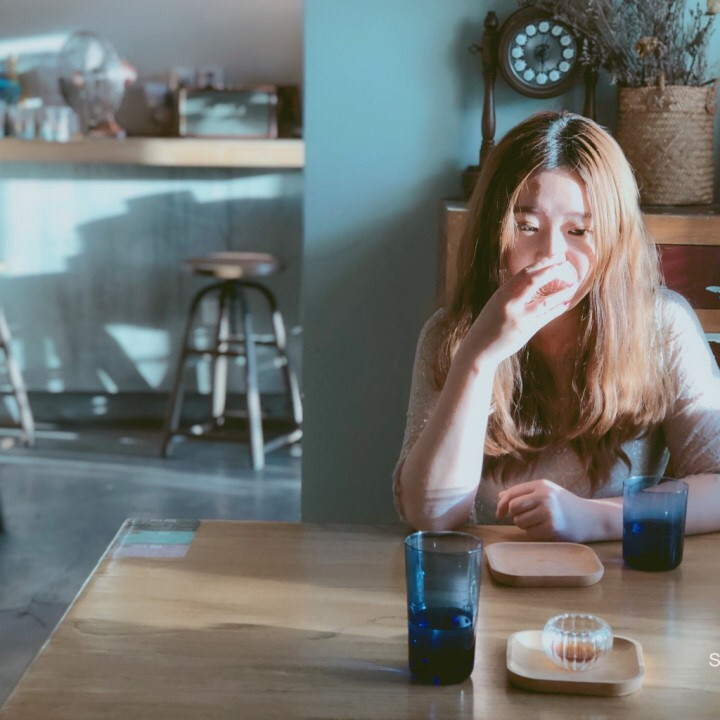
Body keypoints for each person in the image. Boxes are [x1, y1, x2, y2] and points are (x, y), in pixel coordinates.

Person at [393, 110, 720, 542]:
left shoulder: (662, 325)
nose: (551, 255)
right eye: (526, 226)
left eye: (579, 230)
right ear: (494, 233)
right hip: (488, 575)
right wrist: (478, 357)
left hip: (614, 574)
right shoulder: (449, 335)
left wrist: (596, 517)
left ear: (614, 238)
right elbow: (429, 515)